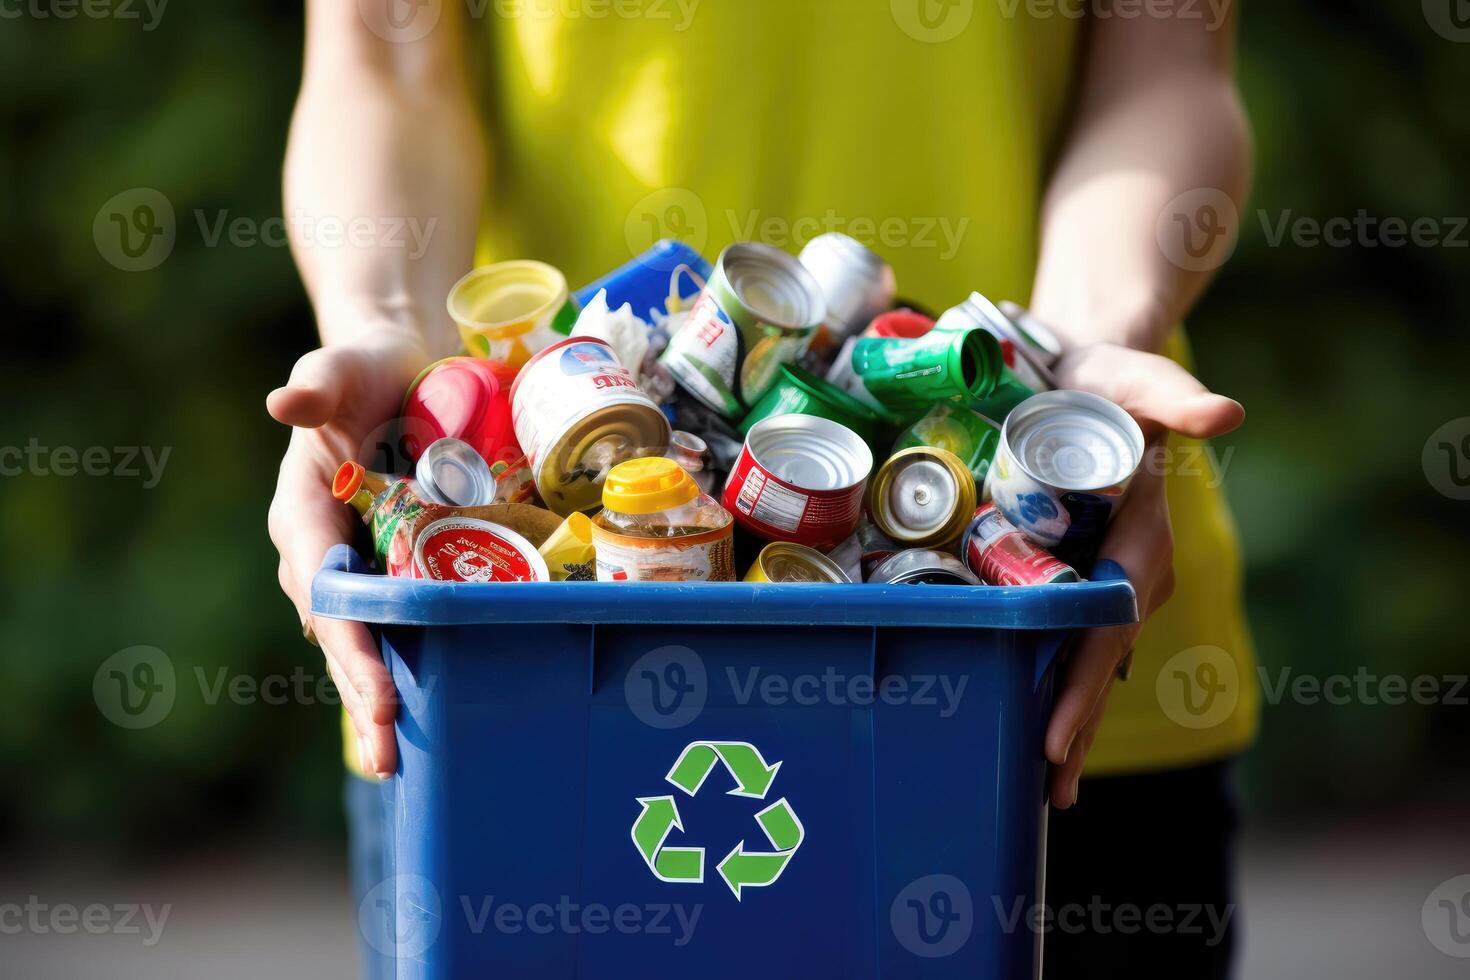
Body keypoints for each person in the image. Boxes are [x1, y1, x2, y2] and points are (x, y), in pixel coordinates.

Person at [269, 2, 1258, 975]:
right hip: (504, 693)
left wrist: (1091, 348)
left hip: (1036, 672)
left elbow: (1168, 68)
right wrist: (378, 321)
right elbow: (379, 63)